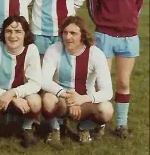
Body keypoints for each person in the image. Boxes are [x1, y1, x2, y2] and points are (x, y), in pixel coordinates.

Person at [87, 0, 145, 138]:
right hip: (105, 35)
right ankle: (98, 122)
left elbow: (138, 3)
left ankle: (121, 125)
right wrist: (103, 23)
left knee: (123, 82)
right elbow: (92, 4)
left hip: (129, 38)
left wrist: (129, 22)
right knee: (100, 81)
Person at [41, 16, 113, 146]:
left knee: (107, 109)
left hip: (84, 102)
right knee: (47, 99)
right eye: (65, 32)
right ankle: (56, 128)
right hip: (63, 99)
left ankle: (84, 127)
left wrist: (81, 99)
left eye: (73, 33)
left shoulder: (95, 54)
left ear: (83, 35)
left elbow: (108, 91)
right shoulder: (54, 49)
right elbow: (44, 80)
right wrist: (68, 96)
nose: (68, 37)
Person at [0, 15, 41, 148]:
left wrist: (14, 93)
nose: (13, 36)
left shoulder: (31, 50)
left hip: (22, 95)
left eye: (18, 31)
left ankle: (27, 127)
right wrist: (10, 97)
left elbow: (35, 83)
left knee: (36, 102)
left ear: (25, 34)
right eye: (9, 31)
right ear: (3, 33)